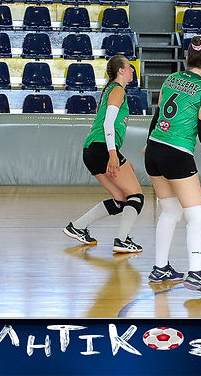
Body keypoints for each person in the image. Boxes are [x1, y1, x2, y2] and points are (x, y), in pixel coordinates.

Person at [145, 37, 201, 294]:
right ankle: (196, 274)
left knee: (171, 211)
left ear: (186, 59)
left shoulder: (170, 80)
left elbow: (157, 115)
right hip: (177, 153)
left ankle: (160, 268)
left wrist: (149, 142)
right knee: (198, 215)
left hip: (154, 149)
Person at [64, 55, 144, 254]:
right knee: (136, 196)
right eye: (129, 67)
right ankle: (122, 240)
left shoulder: (111, 90)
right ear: (121, 71)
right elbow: (108, 124)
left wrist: (117, 154)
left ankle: (77, 227)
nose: (132, 70)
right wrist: (113, 154)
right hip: (102, 149)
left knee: (120, 200)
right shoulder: (117, 90)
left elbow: (103, 126)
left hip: (92, 150)